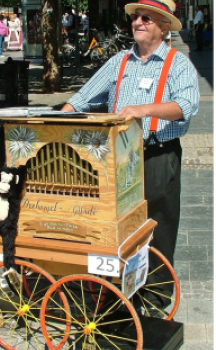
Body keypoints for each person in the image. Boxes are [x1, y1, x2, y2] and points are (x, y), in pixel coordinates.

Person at [61, 0, 199, 317]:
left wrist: (144, 110)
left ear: (164, 27)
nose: (137, 22)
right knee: (117, 229)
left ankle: (155, 300)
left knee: (157, 228)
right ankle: (117, 293)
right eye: (135, 17)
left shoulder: (177, 64)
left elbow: (187, 104)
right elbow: (82, 97)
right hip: (117, 159)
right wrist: (55, 124)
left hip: (157, 157)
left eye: (146, 18)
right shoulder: (120, 61)